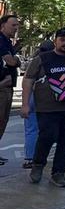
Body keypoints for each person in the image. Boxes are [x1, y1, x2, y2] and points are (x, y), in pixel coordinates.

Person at [22, 27, 65, 186]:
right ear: (55, 41)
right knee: (47, 137)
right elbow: (28, 80)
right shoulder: (43, 58)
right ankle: (37, 166)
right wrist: (25, 104)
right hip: (47, 108)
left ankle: (58, 173)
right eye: (62, 39)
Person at [0, 14, 19, 165]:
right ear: (3, 25)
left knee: (3, 120)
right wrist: (16, 61)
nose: (16, 28)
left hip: (7, 86)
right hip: (3, 87)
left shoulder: (7, 41)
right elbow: (11, 61)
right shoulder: (1, 40)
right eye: (13, 25)